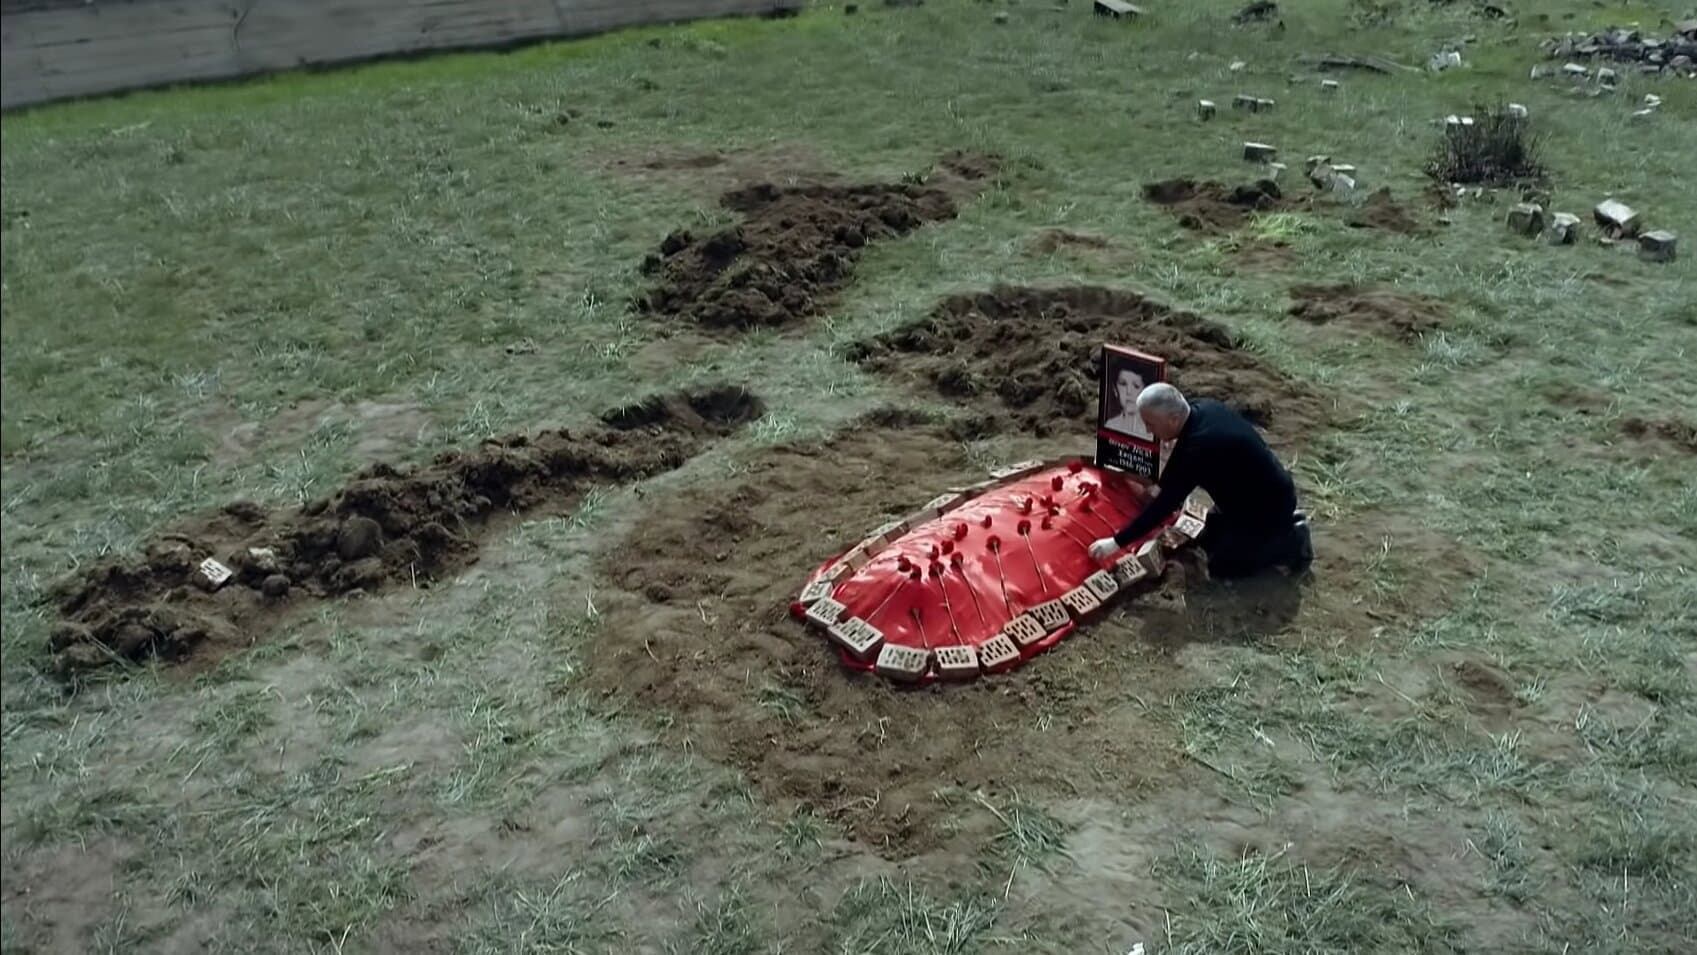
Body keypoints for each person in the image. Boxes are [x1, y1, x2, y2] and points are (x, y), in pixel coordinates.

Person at [1089, 383, 1312, 578]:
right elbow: (1175, 468)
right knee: (1209, 537)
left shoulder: (1200, 447)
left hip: (1268, 506)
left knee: (1222, 568)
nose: (1148, 430)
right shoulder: (1201, 409)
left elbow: (1165, 504)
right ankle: (1271, 530)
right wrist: (1147, 479)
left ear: (1173, 418)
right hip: (1250, 494)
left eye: (1151, 424)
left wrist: (1116, 543)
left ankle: (1292, 541)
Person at [1102, 364, 1154, 442]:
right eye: (1123, 384)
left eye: (1136, 386)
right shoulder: (1110, 425)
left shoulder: (1154, 431)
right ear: (1115, 390)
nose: (1129, 392)